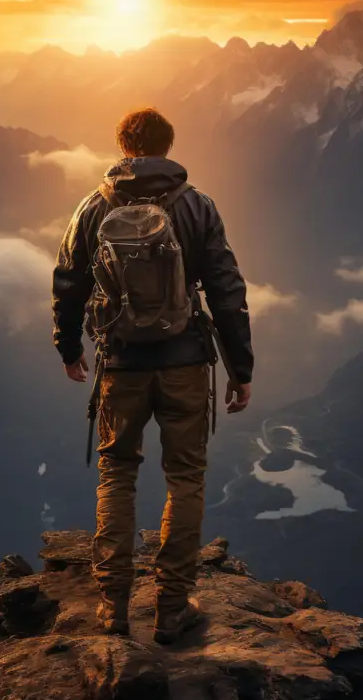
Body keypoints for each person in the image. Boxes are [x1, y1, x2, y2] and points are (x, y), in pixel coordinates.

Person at [52, 107, 253, 644]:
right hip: (187, 361)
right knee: (185, 477)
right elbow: (227, 291)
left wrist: (69, 347)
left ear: (123, 149)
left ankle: (113, 606)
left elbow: (69, 280)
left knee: (117, 473)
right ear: (169, 147)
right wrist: (241, 368)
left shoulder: (94, 205)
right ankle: (171, 608)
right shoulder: (197, 207)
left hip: (120, 362)